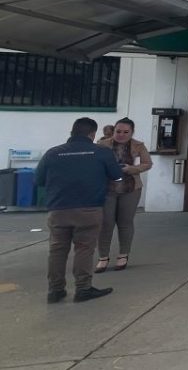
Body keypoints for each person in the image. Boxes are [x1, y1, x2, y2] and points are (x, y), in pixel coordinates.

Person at [35, 117, 123, 304]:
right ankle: (83, 288)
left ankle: (55, 290)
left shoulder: (52, 153)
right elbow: (117, 175)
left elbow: (39, 180)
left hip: (58, 209)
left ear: (71, 132)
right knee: (84, 249)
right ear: (92, 134)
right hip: (89, 209)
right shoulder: (102, 152)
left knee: (57, 250)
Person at [95, 117, 153, 273]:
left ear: (132, 132)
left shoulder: (138, 145)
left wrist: (132, 169)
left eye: (126, 132)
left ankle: (123, 255)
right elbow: (94, 163)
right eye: (118, 131)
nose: (121, 135)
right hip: (108, 188)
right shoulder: (102, 145)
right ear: (113, 131)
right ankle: (103, 257)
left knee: (125, 222)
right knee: (105, 223)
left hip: (131, 187)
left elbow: (147, 163)